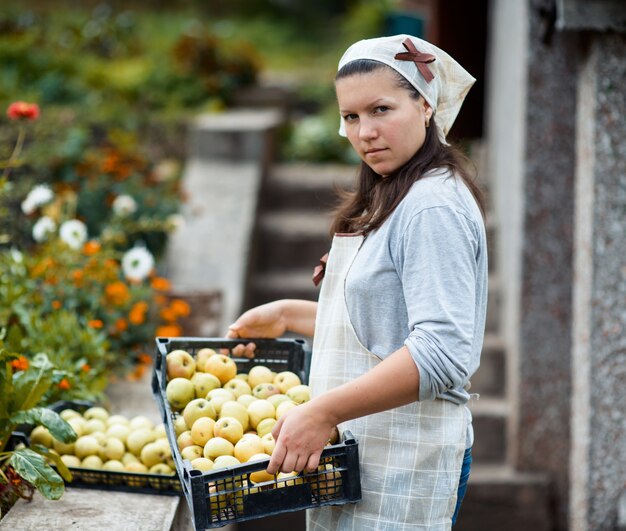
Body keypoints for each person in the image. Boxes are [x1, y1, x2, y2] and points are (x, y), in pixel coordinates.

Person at [226, 34, 488, 530]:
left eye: (382, 109)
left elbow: (442, 350)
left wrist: (323, 412)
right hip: (366, 458)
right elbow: (387, 328)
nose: (365, 131)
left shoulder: (431, 206)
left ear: (425, 106)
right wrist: (289, 314)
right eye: (351, 117)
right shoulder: (395, 195)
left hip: (405, 464)